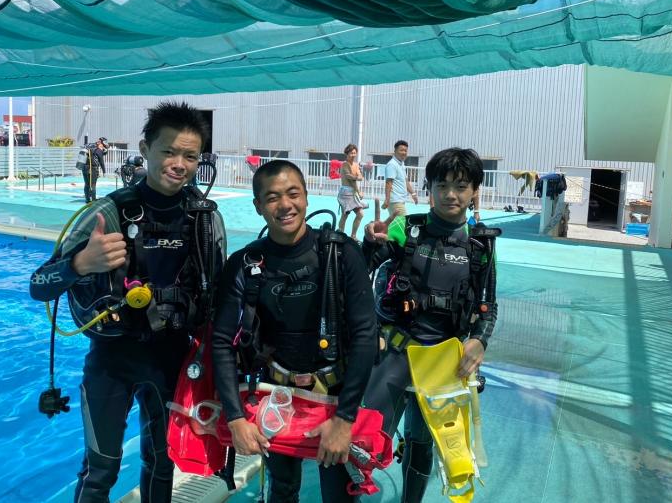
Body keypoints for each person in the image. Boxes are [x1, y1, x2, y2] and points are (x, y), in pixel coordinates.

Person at [29, 102, 226, 503]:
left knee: (163, 462)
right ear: (145, 149)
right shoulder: (109, 212)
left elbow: (219, 295)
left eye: (190, 156)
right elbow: (39, 286)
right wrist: (81, 263)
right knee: (100, 469)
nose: (179, 164)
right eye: (168, 151)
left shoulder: (205, 219)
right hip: (112, 360)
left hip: (174, 362)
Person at [211, 160, 378, 502]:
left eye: (293, 194)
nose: (285, 205)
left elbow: (365, 334)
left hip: (336, 396)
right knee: (282, 490)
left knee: (340, 495)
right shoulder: (244, 264)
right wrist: (236, 418)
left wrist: (345, 418)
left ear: (306, 197)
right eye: (272, 197)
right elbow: (222, 342)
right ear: (258, 206)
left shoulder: (341, 254)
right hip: (276, 398)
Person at [361, 148, 498, 502]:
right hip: (396, 350)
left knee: (422, 446)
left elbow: (488, 306)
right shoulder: (407, 228)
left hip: (444, 362)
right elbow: (362, 270)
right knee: (363, 440)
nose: (451, 194)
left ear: (474, 192)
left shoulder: (481, 245)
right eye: (442, 185)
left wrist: (479, 341)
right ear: (429, 188)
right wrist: (368, 242)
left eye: (461, 186)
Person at [337, 143, 367, 241]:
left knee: (360, 214)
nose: (353, 155)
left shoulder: (356, 165)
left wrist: (358, 191)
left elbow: (359, 176)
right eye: (351, 153)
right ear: (347, 153)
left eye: (354, 153)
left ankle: (353, 236)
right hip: (345, 193)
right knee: (345, 215)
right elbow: (349, 177)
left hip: (353, 193)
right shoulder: (344, 165)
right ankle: (340, 233)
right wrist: (358, 178)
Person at [383, 140, 418, 222]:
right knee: (403, 223)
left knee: (396, 224)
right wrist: (387, 199)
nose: (404, 152)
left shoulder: (401, 164)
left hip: (400, 200)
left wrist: (413, 194)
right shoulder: (392, 164)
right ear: (395, 151)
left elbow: (405, 181)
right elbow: (388, 183)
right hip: (395, 201)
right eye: (401, 150)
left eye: (405, 151)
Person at [82, 137, 108, 203]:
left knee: (87, 184)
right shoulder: (98, 150)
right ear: (101, 144)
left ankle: (87, 199)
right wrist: (104, 172)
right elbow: (101, 162)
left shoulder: (91, 148)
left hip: (84, 168)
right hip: (92, 169)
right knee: (93, 185)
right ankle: (93, 200)